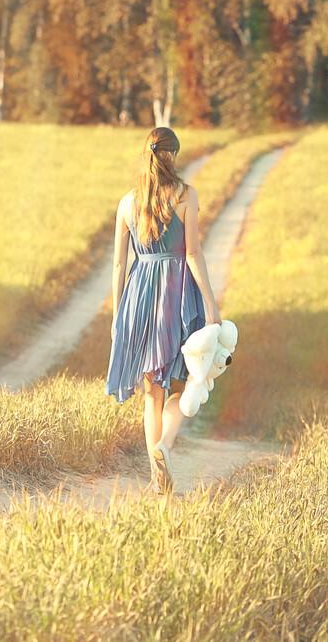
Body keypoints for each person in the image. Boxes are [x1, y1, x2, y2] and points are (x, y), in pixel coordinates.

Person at [104, 127, 221, 495]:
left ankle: (158, 481)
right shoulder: (186, 195)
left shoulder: (127, 203)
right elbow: (192, 254)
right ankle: (164, 448)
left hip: (139, 297)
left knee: (151, 392)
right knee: (184, 384)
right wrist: (211, 305)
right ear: (173, 155)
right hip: (177, 295)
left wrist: (117, 314)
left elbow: (119, 265)